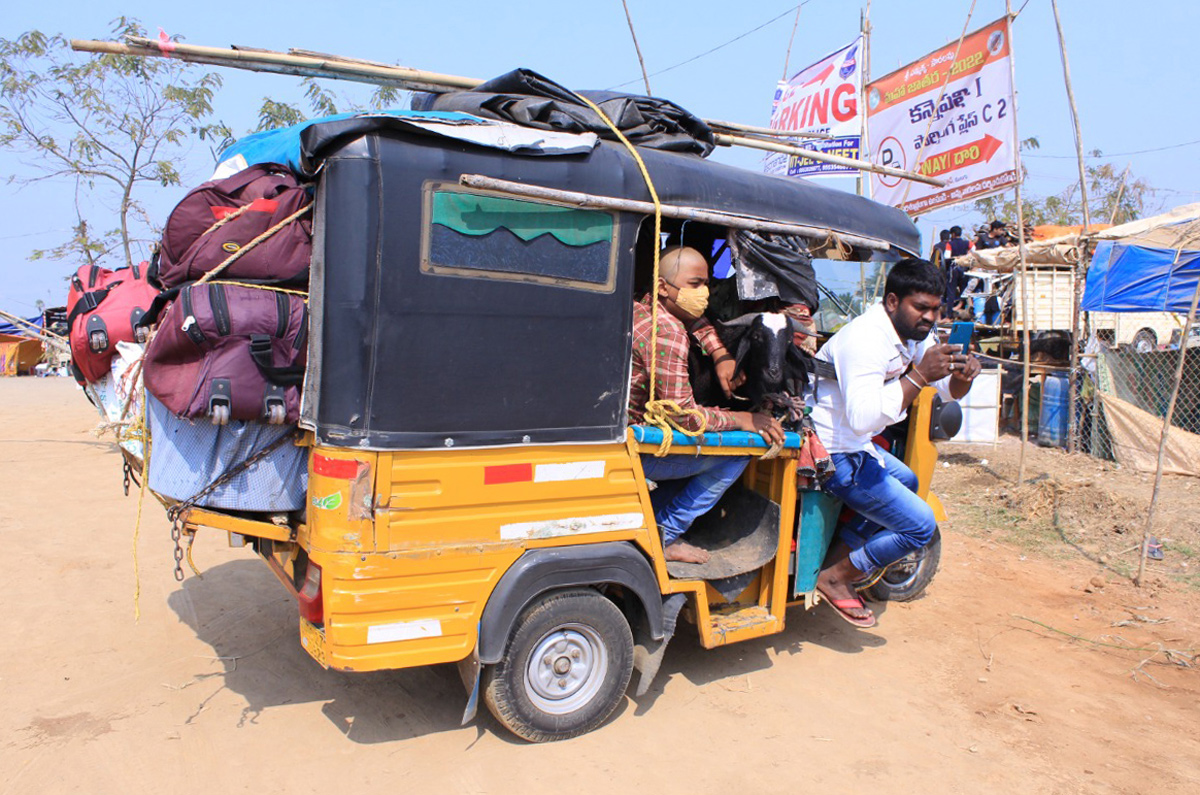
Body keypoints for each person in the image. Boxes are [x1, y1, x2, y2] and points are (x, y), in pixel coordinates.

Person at [809, 258, 981, 627]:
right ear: (892, 301)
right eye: (920, 307)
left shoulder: (912, 334)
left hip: (859, 446)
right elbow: (863, 418)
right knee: (919, 526)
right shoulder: (865, 340)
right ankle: (837, 577)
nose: (930, 317)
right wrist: (918, 376)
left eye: (936, 309)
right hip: (832, 451)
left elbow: (946, 391)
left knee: (909, 480)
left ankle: (837, 559)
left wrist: (963, 376)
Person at [629, 246, 786, 564]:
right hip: (634, 449)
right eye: (695, 284)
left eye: (707, 284)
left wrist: (720, 354)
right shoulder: (669, 332)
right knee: (737, 454)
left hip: (618, 436)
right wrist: (744, 419)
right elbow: (686, 417)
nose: (705, 293)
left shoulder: (641, 306)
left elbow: (697, 320)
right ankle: (665, 534)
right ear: (663, 287)